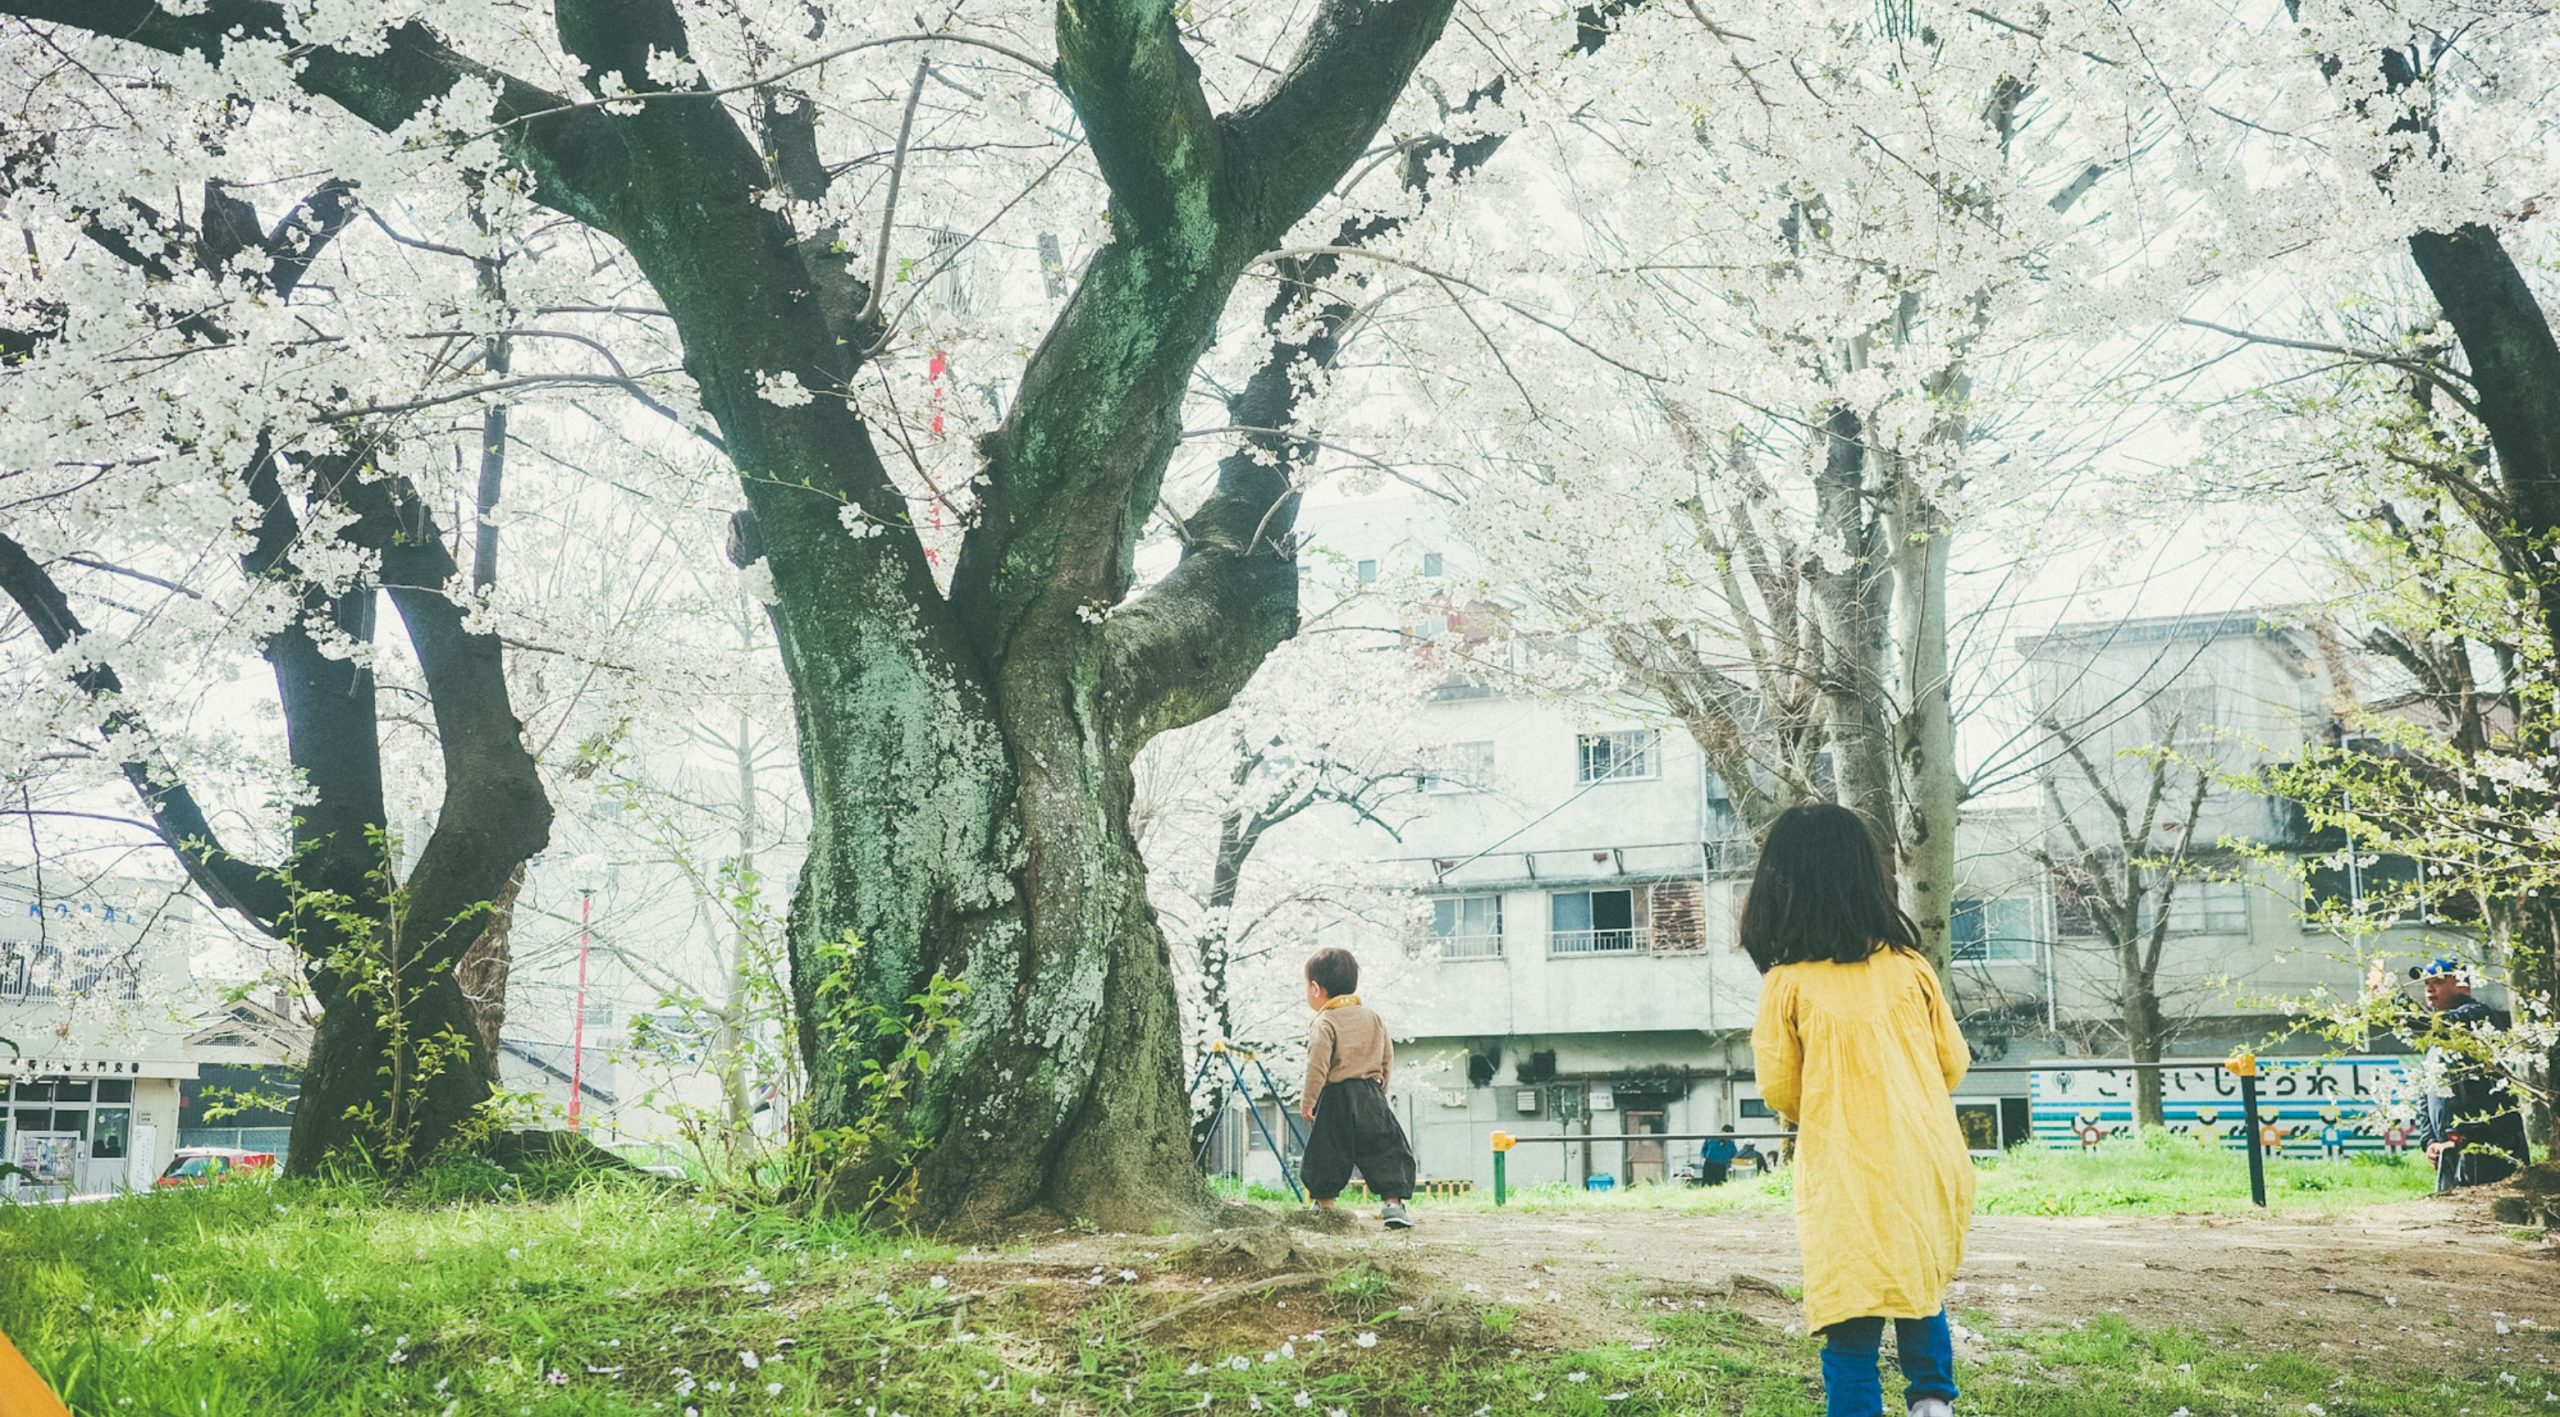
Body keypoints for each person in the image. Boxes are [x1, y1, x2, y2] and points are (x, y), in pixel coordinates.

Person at [1747, 803, 1974, 1417]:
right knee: (1918, 1286)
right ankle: (1933, 1403)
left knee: (1850, 1317)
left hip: (1845, 1170)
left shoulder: (1787, 984)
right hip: (1924, 1158)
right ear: (1868, 878)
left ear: (1781, 885)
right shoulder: (1911, 969)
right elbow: (1953, 1063)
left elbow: (1781, 1091)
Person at [1298, 947, 1418, 1229]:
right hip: (1370, 1094)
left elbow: (1317, 1066)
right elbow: (1387, 1056)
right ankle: (1393, 1204)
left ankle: (1325, 1206)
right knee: (1385, 1147)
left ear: (1316, 988)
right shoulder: (1373, 1017)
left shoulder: (1324, 1023)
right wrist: (1381, 1090)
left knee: (1328, 1150)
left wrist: (1309, 1101)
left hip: (1335, 1096)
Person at [2409, 958, 2531, 1193]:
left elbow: (2435, 1024)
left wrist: (2391, 1000)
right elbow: (2426, 1095)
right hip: (2451, 1154)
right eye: (2427, 982)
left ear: (2462, 984)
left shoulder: (2477, 1016)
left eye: (2439, 981)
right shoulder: (2435, 1040)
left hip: (2488, 1149)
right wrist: (2430, 1141)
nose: (2429, 987)